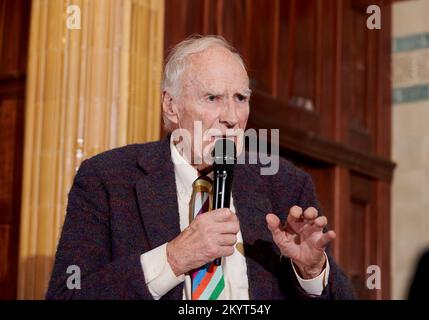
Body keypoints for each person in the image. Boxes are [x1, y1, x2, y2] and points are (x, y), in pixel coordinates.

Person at [46, 35, 355, 300]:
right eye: (213, 97)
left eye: (240, 98)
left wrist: (312, 272)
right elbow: (68, 294)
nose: (232, 117)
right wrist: (173, 258)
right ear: (171, 106)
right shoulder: (107, 178)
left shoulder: (285, 183)